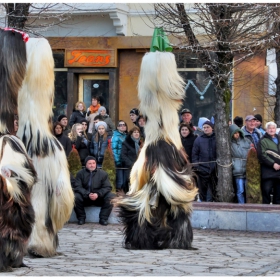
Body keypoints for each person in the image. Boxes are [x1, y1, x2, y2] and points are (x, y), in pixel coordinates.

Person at [73, 156, 115, 225]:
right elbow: (77, 187)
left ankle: (103, 219)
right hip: (85, 197)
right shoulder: (80, 174)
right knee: (75, 197)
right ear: (85, 164)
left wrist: (97, 194)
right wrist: (88, 194)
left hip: (99, 198)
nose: (92, 165)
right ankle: (81, 218)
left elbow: (107, 187)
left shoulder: (103, 174)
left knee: (111, 196)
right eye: (89, 163)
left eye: (93, 163)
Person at [192, 120, 217, 202]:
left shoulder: (216, 138)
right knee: (202, 190)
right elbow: (195, 154)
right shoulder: (199, 140)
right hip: (202, 169)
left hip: (214, 169)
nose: (206, 129)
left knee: (212, 190)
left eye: (207, 127)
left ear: (212, 128)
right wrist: (197, 166)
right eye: (204, 128)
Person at [257, 121, 280, 204]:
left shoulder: (279, 138)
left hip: (279, 173)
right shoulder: (262, 141)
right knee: (266, 193)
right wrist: (273, 164)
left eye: (273, 128)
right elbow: (261, 155)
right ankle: (265, 213)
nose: (271, 130)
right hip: (268, 173)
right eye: (269, 128)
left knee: (278, 195)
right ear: (266, 130)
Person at [229, 124, 252, 204]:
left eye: (238, 132)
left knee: (249, 190)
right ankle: (241, 206)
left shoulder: (247, 141)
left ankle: (249, 206)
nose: (237, 134)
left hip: (248, 169)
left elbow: (252, 152)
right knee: (240, 190)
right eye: (235, 133)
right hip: (237, 169)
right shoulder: (229, 143)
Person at [121, 126, 142, 192]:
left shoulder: (142, 143)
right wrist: (131, 164)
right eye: (134, 132)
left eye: (137, 132)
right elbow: (123, 155)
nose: (136, 133)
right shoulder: (126, 143)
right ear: (131, 134)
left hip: (141, 167)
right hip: (130, 167)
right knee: (131, 184)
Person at [112, 120, 128, 191]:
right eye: (120, 125)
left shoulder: (126, 135)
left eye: (124, 125)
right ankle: (119, 194)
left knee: (125, 180)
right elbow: (114, 149)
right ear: (117, 127)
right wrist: (117, 160)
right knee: (120, 181)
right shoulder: (116, 136)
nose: (122, 126)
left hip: (125, 160)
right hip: (119, 161)